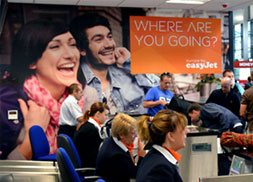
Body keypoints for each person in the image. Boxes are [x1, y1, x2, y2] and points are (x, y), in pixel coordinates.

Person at [0, 20, 81, 160]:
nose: (70, 55)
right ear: (32, 61)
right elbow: (6, 172)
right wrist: (34, 133)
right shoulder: (9, 101)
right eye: (55, 46)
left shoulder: (83, 97)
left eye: (72, 44)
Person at [69, 13, 159, 114]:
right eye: (98, 39)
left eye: (110, 37)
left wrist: (130, 62)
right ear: (82, 49)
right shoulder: (72, 82)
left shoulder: (128, 77)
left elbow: (160, 92)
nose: (109, 45)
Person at [95, 113, 144, 182]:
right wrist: (142, 156)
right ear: (121, 135)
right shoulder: (117, 155)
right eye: (133, 134)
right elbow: (137, 174)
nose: (135, 137)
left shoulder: (110, 141)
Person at [73, 102, 109, 168]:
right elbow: (92, 156)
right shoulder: (91, 130)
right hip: (88, 167)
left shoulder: (87, 125)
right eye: (106, 115)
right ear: (98, 114)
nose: (107, 118)